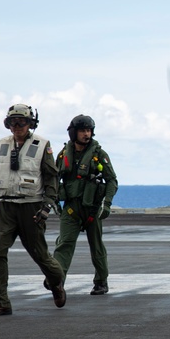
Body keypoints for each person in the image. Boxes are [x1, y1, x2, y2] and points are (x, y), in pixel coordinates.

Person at [0, 104, 66, 316]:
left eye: (22, 122)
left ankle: (56, 282)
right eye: (13, 122)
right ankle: (1, 301)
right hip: (5, 206)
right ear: (8, 124)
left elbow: (51, 178)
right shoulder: (0, 145)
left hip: (31, 206)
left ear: (30, 124)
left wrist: (47, 206)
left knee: (41, 256)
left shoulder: (42, 145)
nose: (18, 126)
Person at [53, 114, 119, 295]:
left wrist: (107, 204)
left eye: (89, 130)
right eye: (82, 130)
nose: (86, 134)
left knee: (97, 247)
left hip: (92, 209)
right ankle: (57, 281)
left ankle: (101, 281)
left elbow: (112, 180)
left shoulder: (99, 155)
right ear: (74, 133)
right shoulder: (63, 155)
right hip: (71, 208)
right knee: (64, 245)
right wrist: (53, 201)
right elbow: (53, 179)